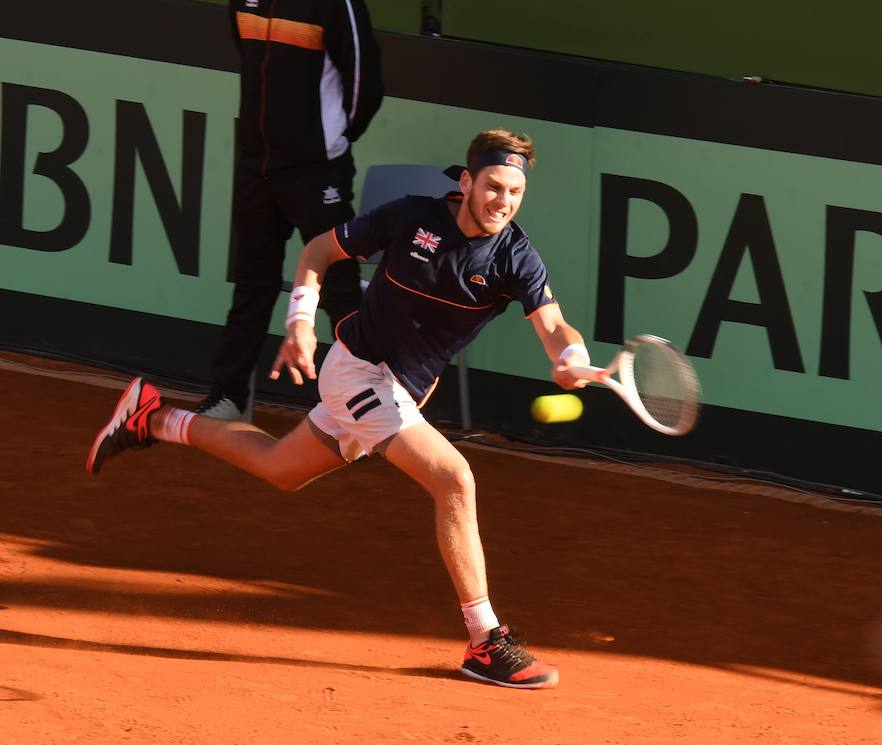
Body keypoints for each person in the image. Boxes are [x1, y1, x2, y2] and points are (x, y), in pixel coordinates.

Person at [87, 129, 593, 690]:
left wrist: (571, 355)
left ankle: (153, 418)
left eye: (515, 192)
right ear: (467, 182)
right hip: (359, 372)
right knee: (455, 480)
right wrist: (300, 323)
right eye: (494, 186)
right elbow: (318, 252)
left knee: (279, 467)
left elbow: (552, 325)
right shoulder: (411, 218)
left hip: (399, 391)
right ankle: (483, 642)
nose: (503, 201)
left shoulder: (516, 256)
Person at [198, 0, 384, 420]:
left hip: (317, 170)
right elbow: (249, 56)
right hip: (255, 166)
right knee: (252, 282)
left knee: (339, 283)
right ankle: (228, 396)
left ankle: (368, 406)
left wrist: (328, 140)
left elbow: (365, 87)